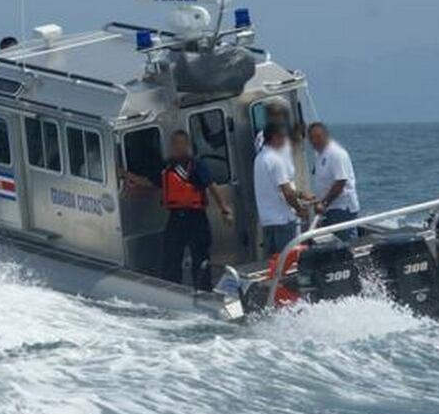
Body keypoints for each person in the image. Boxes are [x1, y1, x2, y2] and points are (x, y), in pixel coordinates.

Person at [124, 129, 233, 290]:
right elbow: (151, 182)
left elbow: (212, 185)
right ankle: (172, 288)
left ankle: (204, 289)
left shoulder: (196, 166)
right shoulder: (166, 167)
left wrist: (225, 209)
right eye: (174, 144)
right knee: (171, 255)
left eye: (180, 144)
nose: (177, 148)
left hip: (196, 218)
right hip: (176, 217)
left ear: (187, 145)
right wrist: (126, 175)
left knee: (200, 256)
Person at [254, 121, 308, 255]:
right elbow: (287, 193)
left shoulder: (259, 159)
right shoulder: (276, 160)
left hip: (267, 221)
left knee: (273, 264)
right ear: (274, 137)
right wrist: (300, 210)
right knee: (289, 261)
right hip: (283, 221)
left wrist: (301, 195)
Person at [308, 122, 360, 240]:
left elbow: (340, 182)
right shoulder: (320, 155)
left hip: (342, 208)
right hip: (330, 209)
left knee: (347, 243)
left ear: (326, 136)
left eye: (318, 137)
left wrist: (324, 203)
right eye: (312, 138)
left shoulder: (336, 153)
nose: (315, 141)